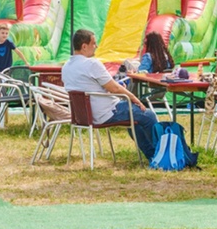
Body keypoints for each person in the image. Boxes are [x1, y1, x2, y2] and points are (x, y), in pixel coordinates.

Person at [62, 29, 159, 161]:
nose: (96, 47)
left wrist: (113, 88)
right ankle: (161, 153)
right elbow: (114, 88)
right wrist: (136, 100)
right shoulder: (92, 64)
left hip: (84, 115)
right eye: (94, 43)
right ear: (84, 46)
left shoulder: (66, 67)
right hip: (107, 112)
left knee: (135, 121)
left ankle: (153, 155)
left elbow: (90, 87)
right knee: (148, 115)